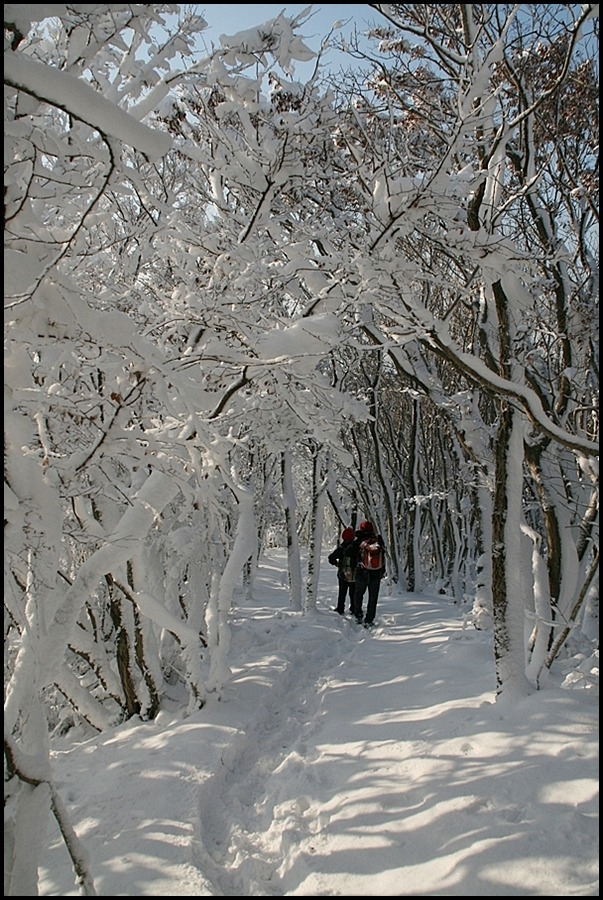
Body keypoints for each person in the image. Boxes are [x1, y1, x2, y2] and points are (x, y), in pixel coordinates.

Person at [351, 520, 386, 627]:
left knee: (358, 594)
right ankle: (369, 619)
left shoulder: (359, 541)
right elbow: (383, 553)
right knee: (373, 597)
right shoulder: (378, 539)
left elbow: (351, 553)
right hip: (376, 573)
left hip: (362, 572)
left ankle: (358, 614)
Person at [327, 527, 357, 615]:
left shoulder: (341, 548)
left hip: (343, 574)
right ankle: (353, 608)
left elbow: (331, 558)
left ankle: (340, 608)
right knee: (353, 592)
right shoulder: (356, 547)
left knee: (342, 592)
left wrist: (337, 564)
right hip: (354, 574)